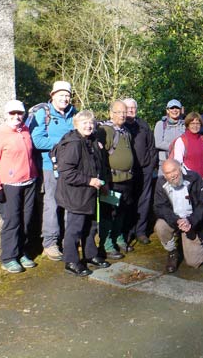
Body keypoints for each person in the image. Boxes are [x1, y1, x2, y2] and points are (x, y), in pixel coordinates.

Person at [55, 110, 111, 276]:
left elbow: (98, 166)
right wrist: (89, 181)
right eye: (84, 123)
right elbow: (67, 172)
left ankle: (91, 255)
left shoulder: (91, 141)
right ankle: (71, 261)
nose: (88, 126)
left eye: (90, 123)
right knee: (75, 228)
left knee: (91, 225)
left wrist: (102, 183)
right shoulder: (73, 143)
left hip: (91, 192)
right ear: (76, 125)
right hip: (76, 193)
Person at [30, 80, 76, 262]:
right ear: (53, 96)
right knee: (52, 203)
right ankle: (50, 243)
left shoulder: (74, 114)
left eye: (67, 95)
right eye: (61, 95)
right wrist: (62, 144)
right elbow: (36, 140)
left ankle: (69, 239)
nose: (64, 98)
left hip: (71, 167)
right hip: (51, 167)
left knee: (70, 202)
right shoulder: (44, 113)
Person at [0, 100, 38, 273]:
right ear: (6, 115)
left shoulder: (26, 131)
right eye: (12, 113)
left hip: (29, 182)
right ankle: (8, 257)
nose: (16, 117)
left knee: (26, 220)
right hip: (9, 185)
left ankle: (22, 252)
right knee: (12, 221)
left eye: (19, 113)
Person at [154, 159, 203, 272]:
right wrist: (176, 220)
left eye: (174, 171)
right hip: (175, 220)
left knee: (194, 262)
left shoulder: (194, 178)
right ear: (164, 175)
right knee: (160, 226)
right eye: (168, 173)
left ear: (180, 168)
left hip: (193, 221)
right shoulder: (161, 183)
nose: (172, 175)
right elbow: (159, 207)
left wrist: (190, 221)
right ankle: (172, 252)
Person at [97, 100, 134, 259]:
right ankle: (106, 244)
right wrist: (103, 181)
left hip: (126, 179)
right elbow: (100, 158)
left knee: (122, 211)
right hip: (112, 180)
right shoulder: (106, 131)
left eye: (124, 112)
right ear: (111, 113)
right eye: (119, 112)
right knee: (108, 212)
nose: (122, 115)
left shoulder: (125, 131)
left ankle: (118, 237)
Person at [123, 98, 157, 245]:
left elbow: (151, 147)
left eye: (133, 108)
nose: (131, 110)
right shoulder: (120, 126)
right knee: (128, 201)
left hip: (144, 170)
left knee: (144, 201)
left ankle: (141, 231)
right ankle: (127, 232)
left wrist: (150, 166)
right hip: (126, 172)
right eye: (128, 108)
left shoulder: (143, 125)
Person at [171, 112, 203, 183]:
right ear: (188, 125)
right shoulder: (181, 140)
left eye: (197, 123)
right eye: (192, 123)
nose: (195, 126)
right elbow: (178, 162)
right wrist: (190, 176)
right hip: (188, 181)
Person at [154, 99, 185, 169]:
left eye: (177, 108)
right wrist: (177, 147)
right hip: (164, 162)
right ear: (167, 110)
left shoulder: (184, 125)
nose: (174, 110)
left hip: (181, 162)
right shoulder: (160, 124)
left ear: (180, 110)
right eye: (172, 108)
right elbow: (158, 143)